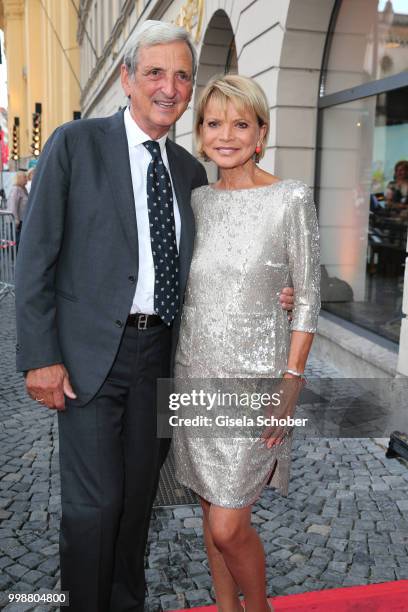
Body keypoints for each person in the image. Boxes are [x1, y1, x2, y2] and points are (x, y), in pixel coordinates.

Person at [15, 21, 294, 612]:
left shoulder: (191, 174)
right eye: (154, 73)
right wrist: (40, 355)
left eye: (181, 76)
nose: (168, 87)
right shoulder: (76, 143)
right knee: (95, 507)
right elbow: (35, 256)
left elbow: (222, 262)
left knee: (138, 500)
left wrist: (279, 292)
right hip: (90, 357)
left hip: (164, 356)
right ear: (127, 79)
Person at [173, 75, 320, 612]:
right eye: (214, 123)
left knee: (230, 522)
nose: (226, 135)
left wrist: (290, 383)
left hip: (256, 383)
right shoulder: (195, 203)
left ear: (262, 132)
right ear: (200, 132)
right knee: (212, 510)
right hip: (195, 375)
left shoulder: (289, 198)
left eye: (241, 124)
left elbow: (307, 296)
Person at [7, 170, 28, 248]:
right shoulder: (16, 189)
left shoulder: (23, 189)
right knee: (17, 240)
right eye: (24, 177)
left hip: (23, 219)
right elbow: (13, 205)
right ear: (19, 178)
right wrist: (15, 219)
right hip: (18, 221)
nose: (26, 178)